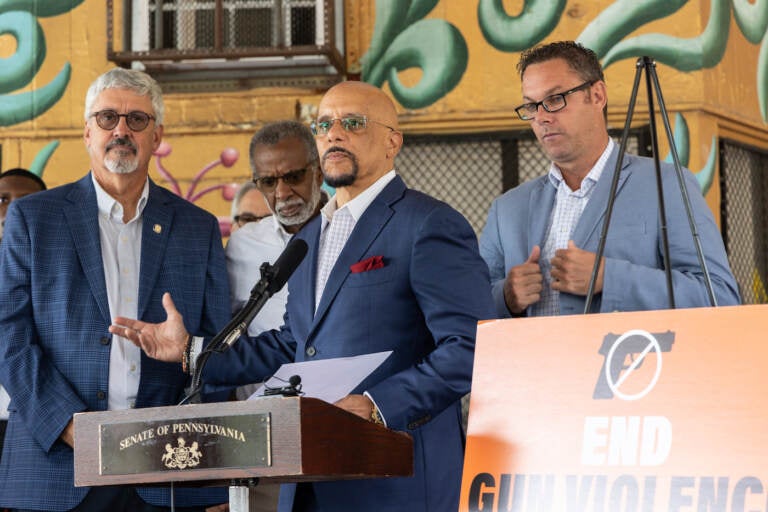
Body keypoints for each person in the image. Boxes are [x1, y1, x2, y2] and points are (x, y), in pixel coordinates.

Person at [111, 80, 496, 512]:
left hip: (395, 478)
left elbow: (472, 346)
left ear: (392, 142)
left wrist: (376, 405)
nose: (334, 133)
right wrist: (193, 351)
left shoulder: (428, 223)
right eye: (324, 124)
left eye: (352, 122)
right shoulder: (311, 237)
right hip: (309, 480)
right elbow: (293, 343)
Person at [0, 68, 230, 511]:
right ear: (88, 132)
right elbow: (9, 335)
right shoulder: (33, 219)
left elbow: (214, 348)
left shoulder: (197, 228)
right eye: (107, 118)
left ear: (157, 135)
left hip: (169, 469)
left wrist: (214, 474)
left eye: (137, 120)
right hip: (57, 464)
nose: (121, 130)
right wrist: (66, 423)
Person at [480, 41, 740, 318]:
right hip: (532, 362)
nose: (542, 117)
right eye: (531, 106)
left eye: (555, 100)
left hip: (631, 359)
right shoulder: (507, 208)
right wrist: (505, 297)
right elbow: (467, 305)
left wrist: (610, 278)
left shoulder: (666, 185)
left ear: (597, 95)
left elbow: (720, 295)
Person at [227, 120, 327, 339]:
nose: (282, 193)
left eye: (293, 177)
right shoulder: (241, 246)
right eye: (268, 182)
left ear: (319, 173)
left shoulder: (353, 229)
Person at [0, 168, 47, 464]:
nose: (12, 208)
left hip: (33, 420)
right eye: (2, 199)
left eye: (25, 200)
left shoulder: (55, 271)